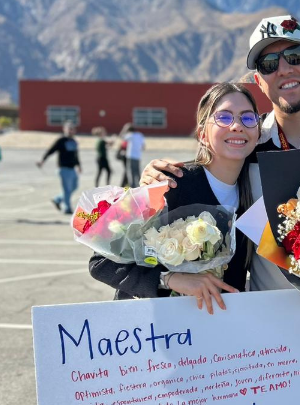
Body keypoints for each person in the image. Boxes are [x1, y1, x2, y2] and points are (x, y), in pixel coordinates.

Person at [140, 16, 300, 404]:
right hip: (269, 343)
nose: (284, 69)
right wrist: (155, 176)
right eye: (269, 64)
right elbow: (207, 175)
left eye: (295, 56)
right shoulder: (247, 145)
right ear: (259, 81)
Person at [89, 83, 260, 314]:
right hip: (158, 335)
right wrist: (169, 279)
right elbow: (101, 262)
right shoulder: (167, 182)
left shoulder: (256, 193)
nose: (237, 126)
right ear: (202, 135)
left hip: (219, 336)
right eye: (224, 117)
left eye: (248, 118)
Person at [37, 121, 81, 214]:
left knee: (74, 187)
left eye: (72, 129)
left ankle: (57, 199)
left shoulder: (74, 141)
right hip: (63, 168)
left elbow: (76, 155)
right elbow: (50, 150)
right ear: (64, 129)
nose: (70, 131)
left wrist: (79, 166)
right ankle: (67, 208)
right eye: (68, 128)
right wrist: (42, 161)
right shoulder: (61, 141)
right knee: (67, 189)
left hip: (72, 168)